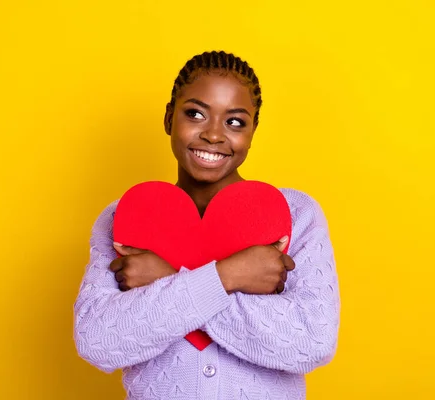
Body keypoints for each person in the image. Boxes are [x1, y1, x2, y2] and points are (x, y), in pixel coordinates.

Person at [74, 51, 340, 400]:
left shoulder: (296, 215)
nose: (214, 135)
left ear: (254, 130)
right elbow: (97, 340)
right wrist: (229, 276)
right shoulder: (124, 217)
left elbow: (311, 341)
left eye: (235, 122)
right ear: (169, 118)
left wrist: (168, 279)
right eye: (195, 114)